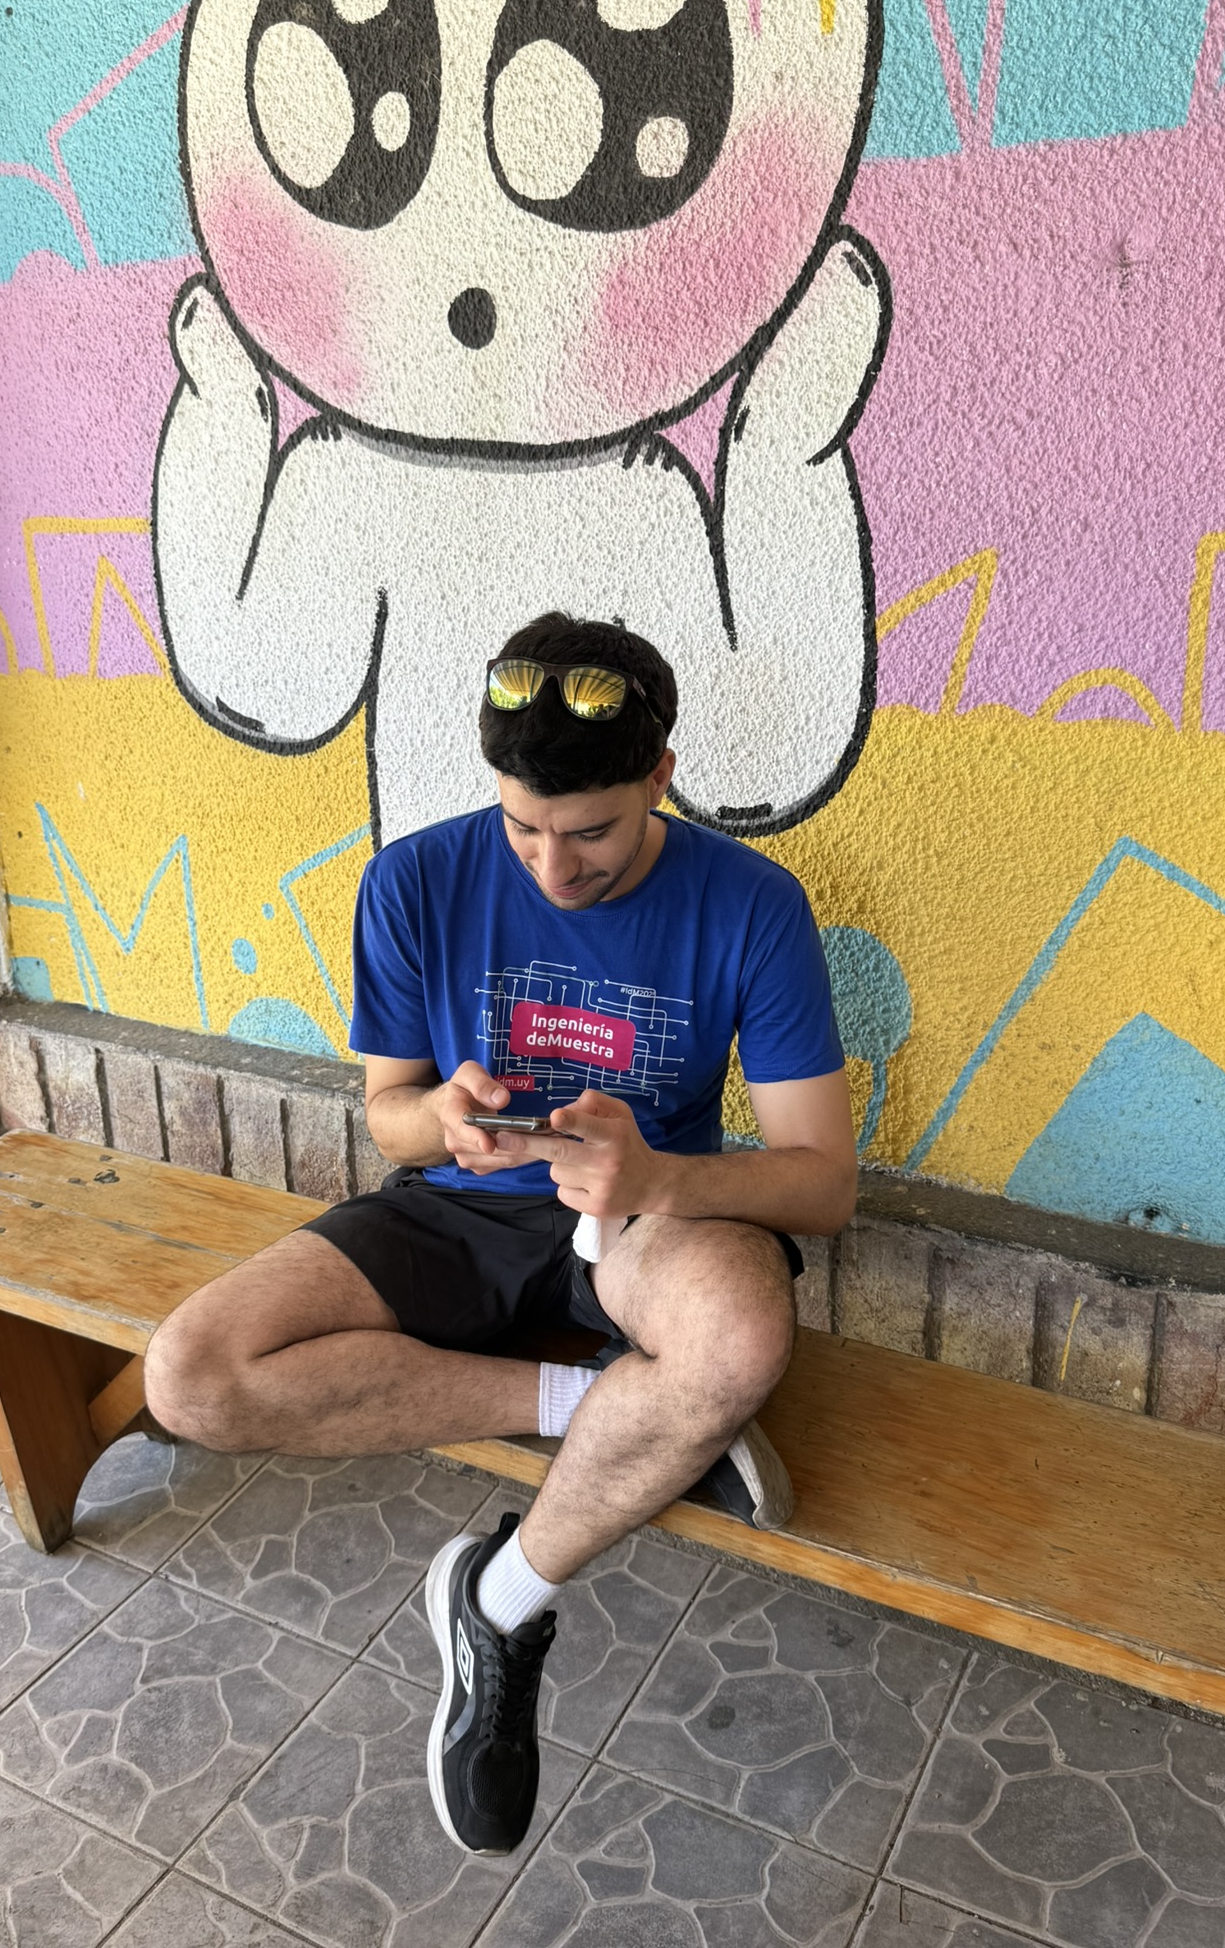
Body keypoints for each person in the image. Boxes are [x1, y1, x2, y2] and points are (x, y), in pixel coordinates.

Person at [145, 612, 857, 1857]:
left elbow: (824, 1184)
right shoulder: (412, 879)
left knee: (740, 1341)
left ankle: (500, 1596)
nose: (553, 867)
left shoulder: (753, 903)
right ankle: (602, 1406)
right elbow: (388, 1112)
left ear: (659, 777)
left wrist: (658, 1173)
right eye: (524, 826)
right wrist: (439, 1119)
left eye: (591, 832)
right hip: (455, 1205)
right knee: (192, 1374)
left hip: (641, 1215)